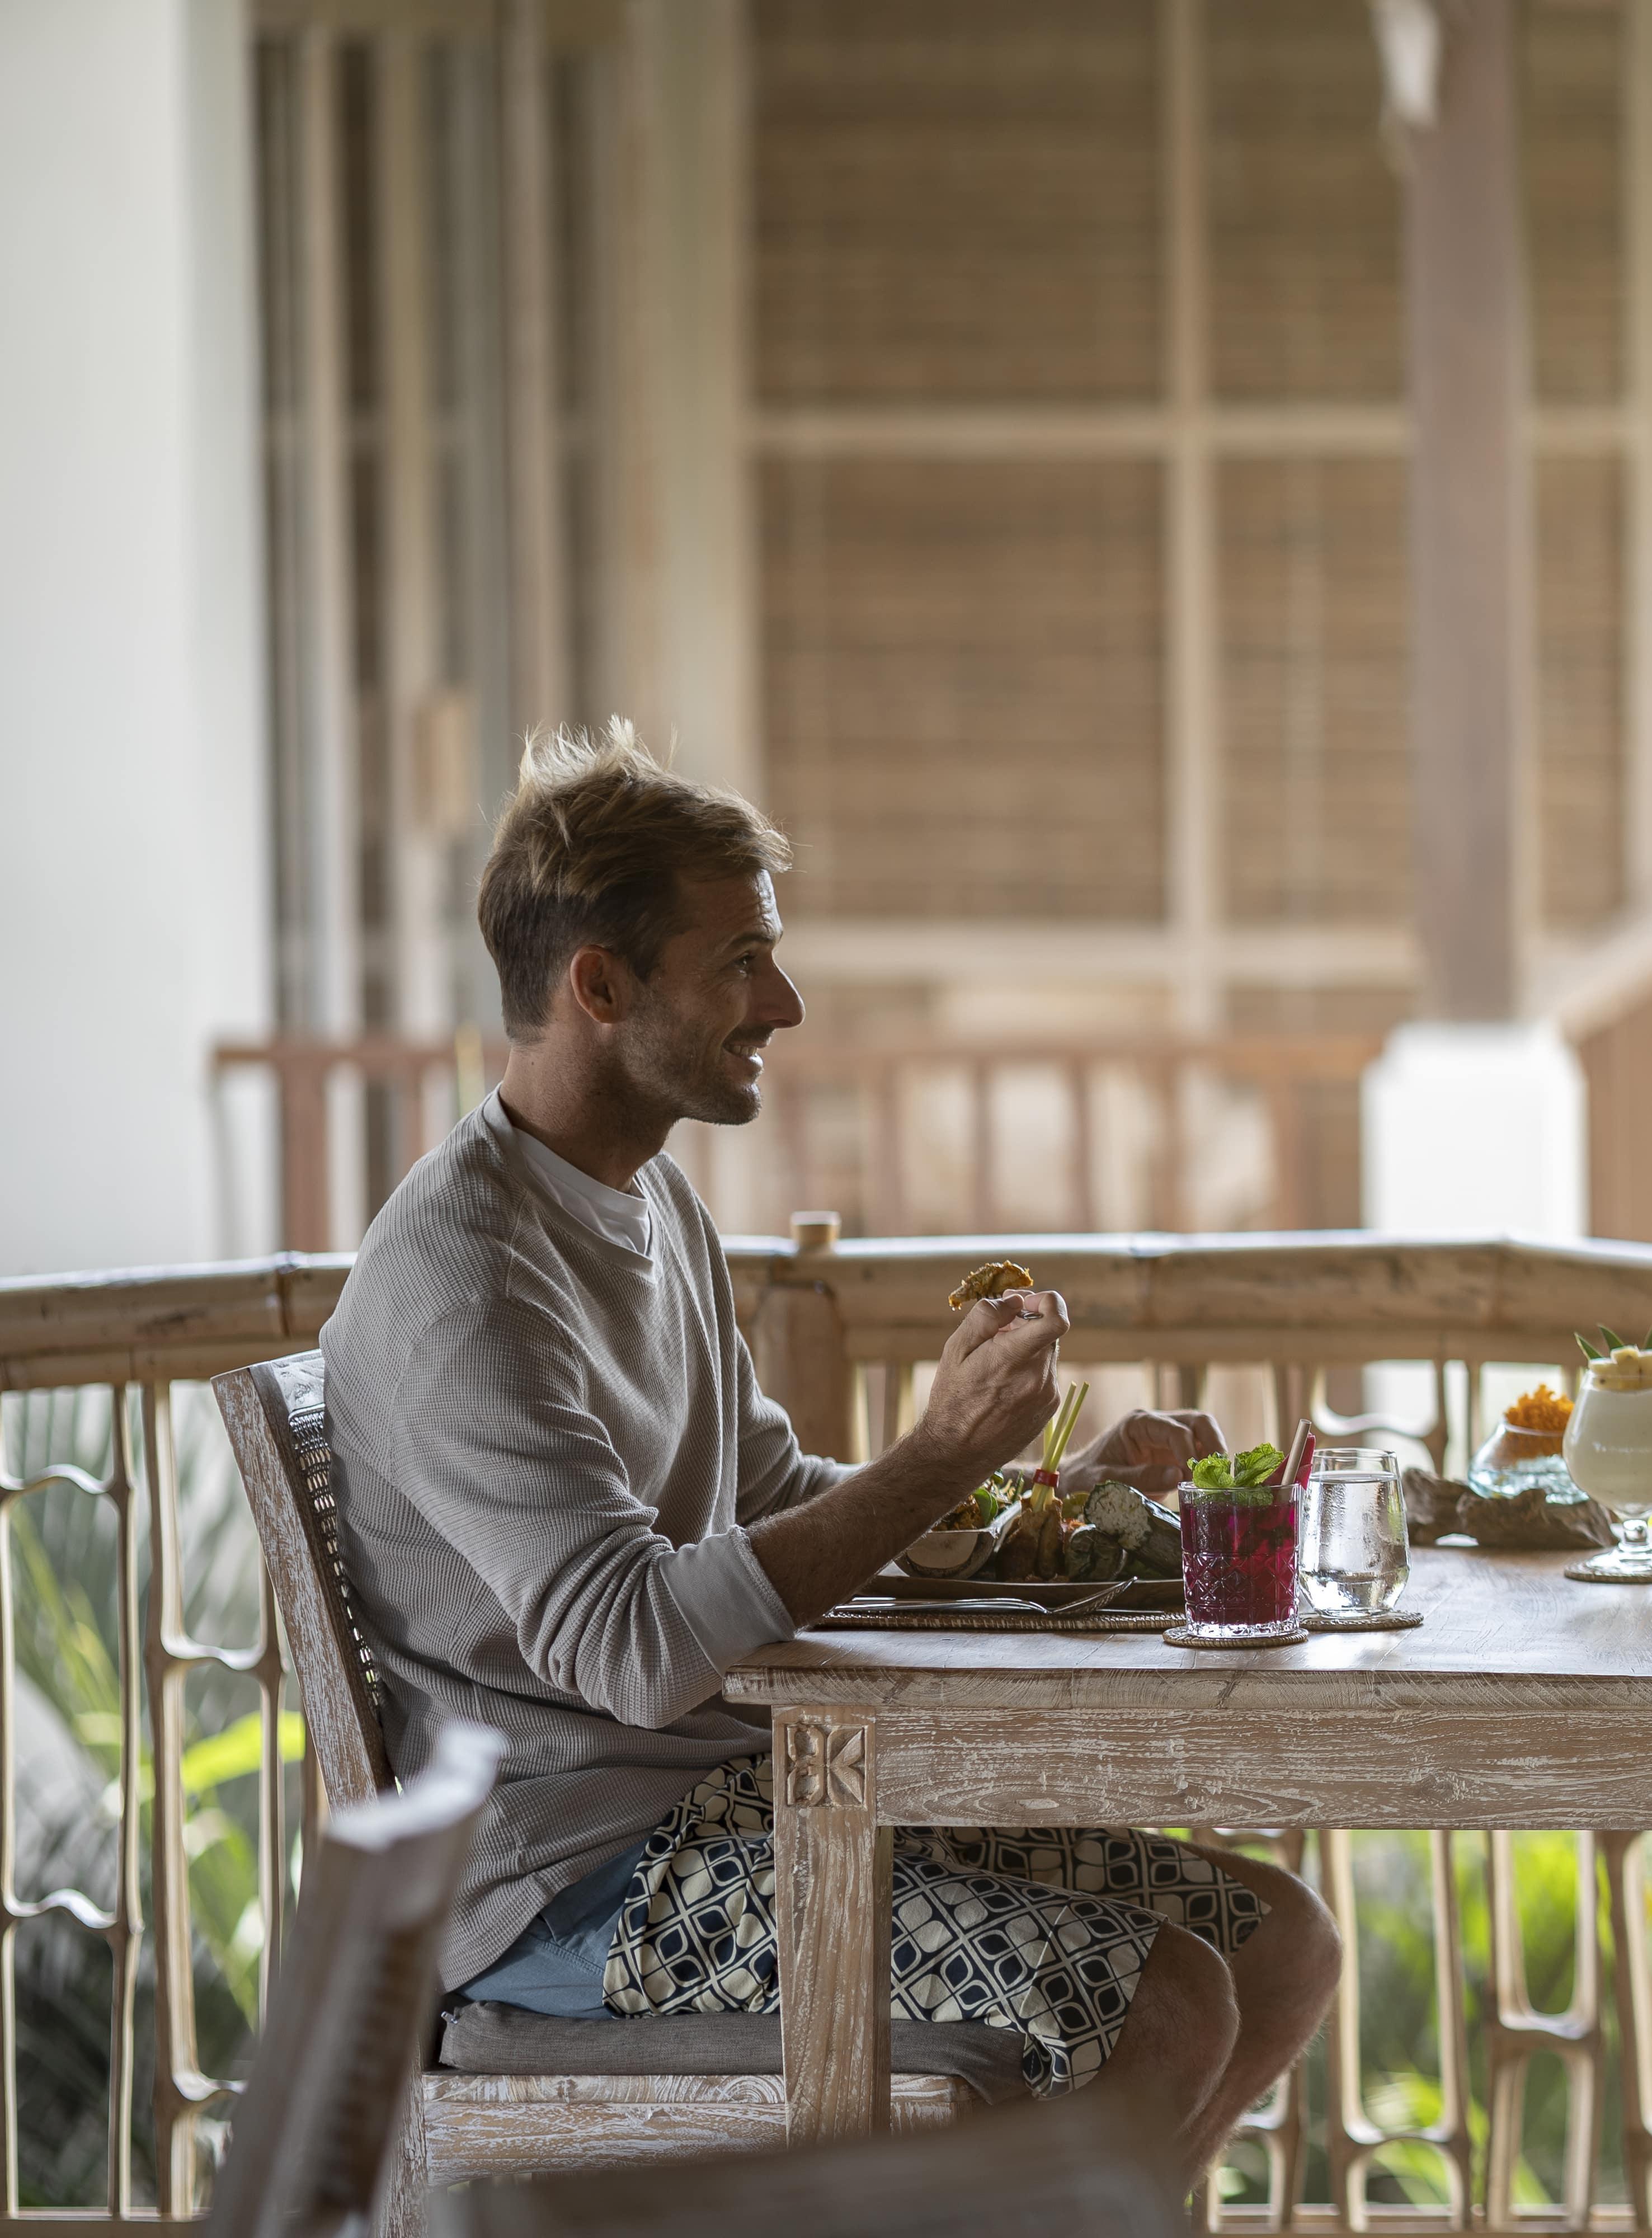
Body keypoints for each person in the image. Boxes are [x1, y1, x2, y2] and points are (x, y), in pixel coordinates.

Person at [320, 724, 1338, 2189]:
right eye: (741, 959)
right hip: (573, 1890)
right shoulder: (464, 1279)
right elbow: (633, 1650)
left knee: (1279, 1943)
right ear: (599, 986)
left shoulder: (645, 1202)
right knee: (1160, 2003)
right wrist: (928, 1459)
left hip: (750, 1808)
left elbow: (786, 1506)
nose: (783, 1003)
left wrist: (1048, 1498)